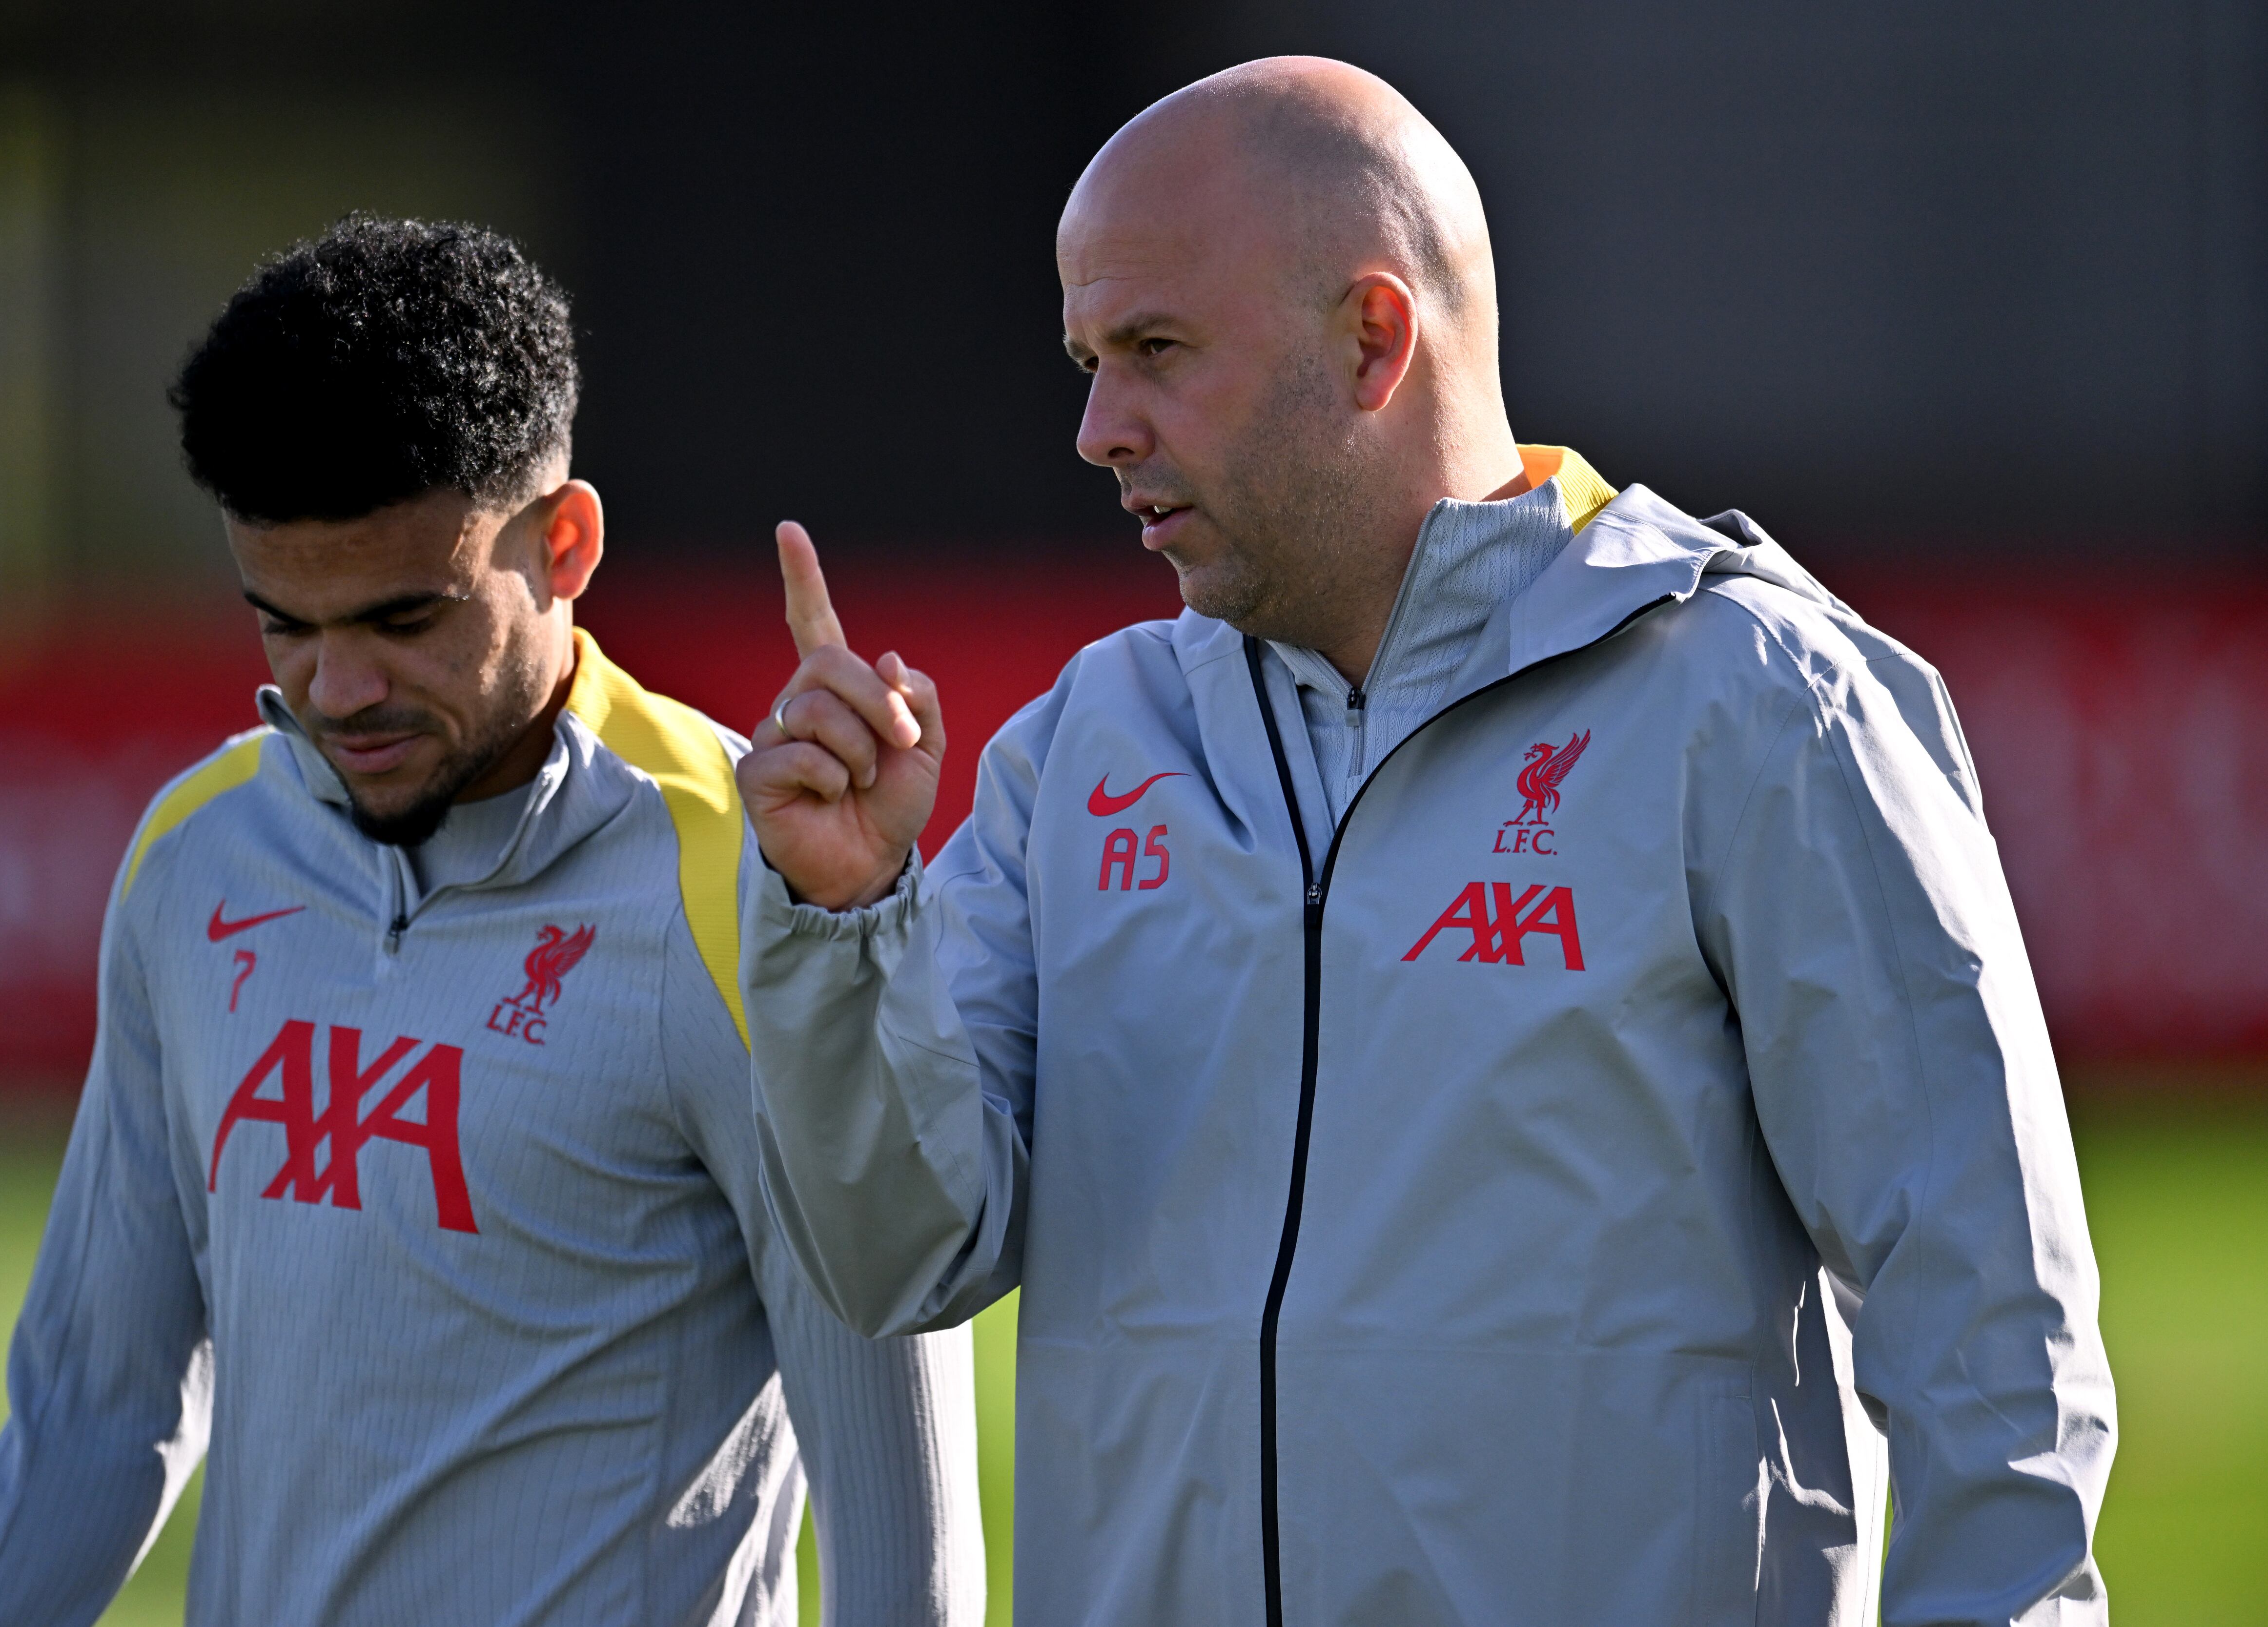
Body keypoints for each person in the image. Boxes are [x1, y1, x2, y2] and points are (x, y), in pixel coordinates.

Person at [736, 59, 2113, 1626]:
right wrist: (846, 928)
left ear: (1374, 337)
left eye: (1154, 352)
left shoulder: (1757, 702)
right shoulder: (1084, 745)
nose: (1096, 428)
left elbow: (1994, 1337)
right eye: (1085, 360)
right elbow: (901, 1257)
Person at [0, 216, 983, 1627]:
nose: (338, 691)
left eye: (407, 619)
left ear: (566, 541)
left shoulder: (759, 885)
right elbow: (91, 1426)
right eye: (284, 623)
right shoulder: (197, 855)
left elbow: (906, 1547)